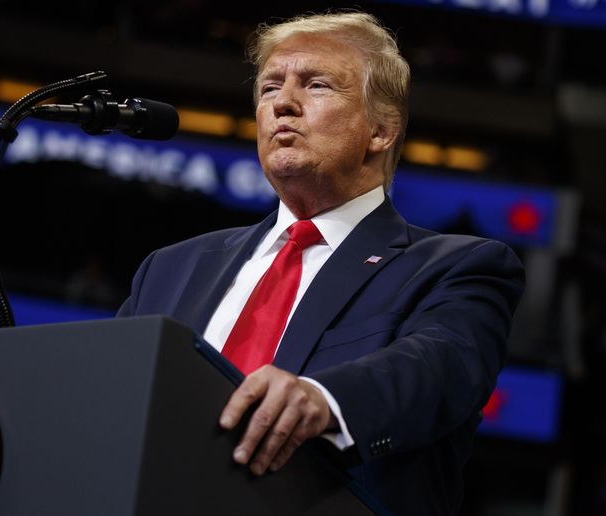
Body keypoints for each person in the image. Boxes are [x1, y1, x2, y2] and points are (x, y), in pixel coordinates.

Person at [117, 11, 524, 515]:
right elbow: (107, 400)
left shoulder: (457, 268)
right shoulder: (171, 268)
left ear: (380, 131)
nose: (282, 103)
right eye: (269, 88)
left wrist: (321, 399)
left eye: (316, 84)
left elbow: (437, 368)